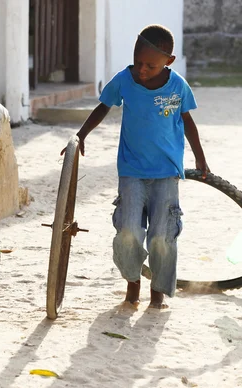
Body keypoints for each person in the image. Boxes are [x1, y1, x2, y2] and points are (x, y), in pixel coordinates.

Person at [70, 24, 210, 309]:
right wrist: (81, 134)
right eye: (138, 62)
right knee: (129, 231)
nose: (142, 70)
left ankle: (157, 292)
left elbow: (187, 121)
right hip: (132, 170)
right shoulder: (124, 80)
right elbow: (103, 106)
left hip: (166, 173)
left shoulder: (178, 86)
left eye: (151, 65)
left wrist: (200, 157)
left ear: (168, 61)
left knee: (161, 235)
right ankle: (133, 282)